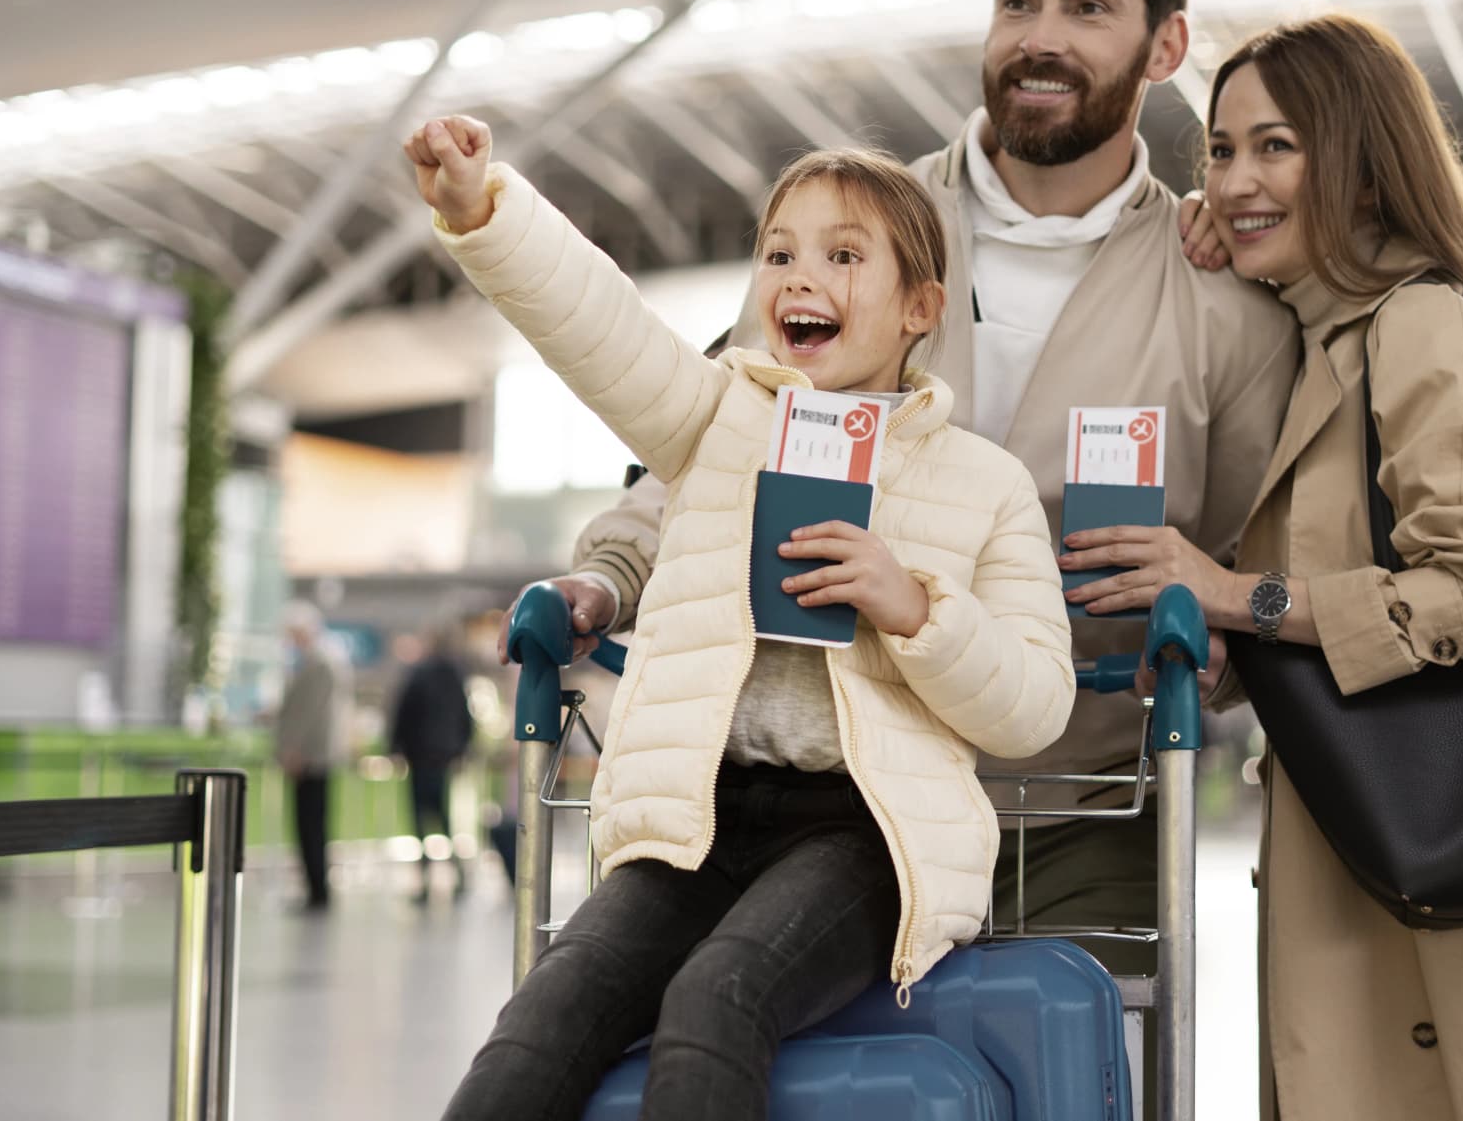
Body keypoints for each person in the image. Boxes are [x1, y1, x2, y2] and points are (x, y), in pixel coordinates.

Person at [496, 0, 1299, 998]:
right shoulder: (848, 234)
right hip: (837, 802)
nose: (1042, 37)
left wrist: (1221, 641)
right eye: (1018, 1)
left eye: (1087, 7)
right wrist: (609, 575)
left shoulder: (1224, 305)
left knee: (1075, 1068)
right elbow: (719, 437)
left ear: (1166, 46)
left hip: (1085, 813)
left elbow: (1267, 559)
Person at [1062, 14, 1463, 1119]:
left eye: (1277, 146)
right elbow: (1333, 588)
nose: (1237, 178)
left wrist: (1230, 592)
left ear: (1360, 161)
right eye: (1219, 150)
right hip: (1376, 849)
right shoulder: (1323, 343)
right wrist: (1226, 639)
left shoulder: (1422, 326)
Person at [406, 116, 1076, 1119]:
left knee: (718, 999)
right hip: (698, 818)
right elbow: (603, 329)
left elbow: (1034, 708)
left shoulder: (987, 486)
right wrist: (482, 208)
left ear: (920, 308)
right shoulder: (719, 421)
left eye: (845, 255)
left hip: (863, 834)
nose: (801, 276)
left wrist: (913, 607)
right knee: (541, 1023)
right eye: (780, 253)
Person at [388, 625, 477, 903]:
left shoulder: (418, 674)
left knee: (420, 818)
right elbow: (465, 716)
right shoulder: (454, 674)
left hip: (420, 755)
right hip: (444, 756)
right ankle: (457, 875)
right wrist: (462, 748)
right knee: (443, 817)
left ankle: (426, 881)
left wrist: (395, 748)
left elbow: (403, 713)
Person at [274, 601, 352, 912]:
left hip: (312, 757)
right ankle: (314, 888)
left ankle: (317, 891)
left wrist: (295, 748)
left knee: (311, 825)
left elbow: (311, 714)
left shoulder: (320, 661)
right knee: (309, 825)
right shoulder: (321, 660)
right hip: (312, 755)